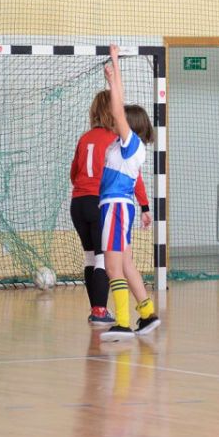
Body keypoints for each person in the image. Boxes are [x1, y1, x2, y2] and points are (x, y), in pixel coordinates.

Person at [70, 91, 150, 326]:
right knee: (104, 259)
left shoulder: (85, 138)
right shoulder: (116, 140)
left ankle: (97, 309)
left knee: (90, 257)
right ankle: (103, 312)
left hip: (78, 203)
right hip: (102, 203)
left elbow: (73, 174)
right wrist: (145, 205)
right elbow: (136, 179)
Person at [99, 45, 160, 342]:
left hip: (116, 208)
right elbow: (118, 108)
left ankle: (122, 323)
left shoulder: (130, 143)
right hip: (120, 208)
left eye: (122, 119)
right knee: (125, 264)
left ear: (130, 125)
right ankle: (147, 313)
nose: (115, 119)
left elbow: (117, 108)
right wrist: (113, 74)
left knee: (113, 268)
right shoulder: (125, 147)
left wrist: (115, 70)